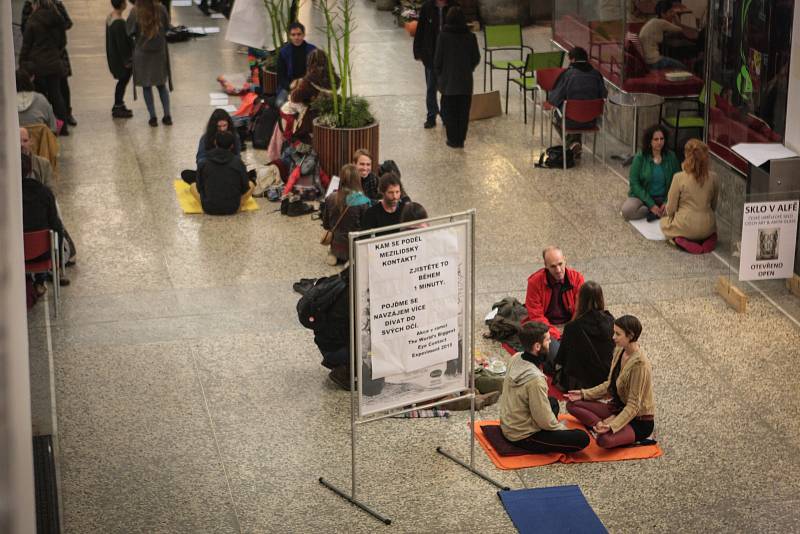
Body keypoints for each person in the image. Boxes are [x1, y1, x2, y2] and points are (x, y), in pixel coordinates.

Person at [499, 322, 591, 454]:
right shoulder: (536, 379)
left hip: (509, 424)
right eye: (548, 340)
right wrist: (561, 429)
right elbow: (544, 420)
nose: (550, 343)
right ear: (537, 346)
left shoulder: (516, 357)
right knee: (582, 438)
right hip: (522, 436)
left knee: (553, 402)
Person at [566, 315, 655, 449]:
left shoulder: (639, 365)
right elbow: (610, 384)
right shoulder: (620, 350)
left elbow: (633, 406)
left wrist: (612, 425)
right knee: (572, 404)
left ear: (630, 336)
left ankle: (608, 427)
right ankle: (600, 425)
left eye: (618, 334)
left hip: (638, 421)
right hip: (617, 408)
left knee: (603, 441)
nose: (613, 337)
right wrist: (584, 394)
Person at [524, 246, 585, 366]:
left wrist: (570, 330)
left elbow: (581, 309)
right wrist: (556, 334)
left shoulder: (577, 279)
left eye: (560, 264)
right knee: (557, 355)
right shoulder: (534, 282)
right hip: (546, 328)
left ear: (565, 260)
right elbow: (536, 317)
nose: (558, 270)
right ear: (545, 265)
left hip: (570, 324)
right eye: (553, 266)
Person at [19, 0, 70, 135]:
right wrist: (55, 53)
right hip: (54, 63)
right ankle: (63, 127)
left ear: (36, 4)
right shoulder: (57, 18)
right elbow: (63, 42)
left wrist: (22, 62)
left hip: (37, 65)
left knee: (41, 97)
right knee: (56, 95)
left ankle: (46, 127)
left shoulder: (32, 21)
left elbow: (26, 45)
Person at [552, 281, 614, 392]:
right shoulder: (610, 320)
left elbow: (561, 358)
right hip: (606, 377)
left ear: (579, 299)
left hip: (581, 383)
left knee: (551, 343)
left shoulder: (572, 327)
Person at [21, 154, 70, 292]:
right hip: (43, 254)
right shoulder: (45, 193)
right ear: (31, 170)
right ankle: (40, 280)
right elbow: (56, 227)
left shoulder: (6, 196)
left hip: (13, 255)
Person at [660, 139, 719, 252]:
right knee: (711, 230)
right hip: (707, 225)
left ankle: (678, 238)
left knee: (663, 223)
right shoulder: (714, 177)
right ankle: (708, 239)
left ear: (686, 155)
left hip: (685, 225)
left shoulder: (679, 177)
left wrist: (670, 217)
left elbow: (671, 207)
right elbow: (714, 205)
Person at [433, 7, 480, 149]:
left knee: (450, 112)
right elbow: (476, 58)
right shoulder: (470, 36)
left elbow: (437, 60)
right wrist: (468, 69)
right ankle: (461, 139)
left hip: (448, 83)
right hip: (465, 82)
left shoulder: (443, 36)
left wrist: (440, 75)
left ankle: (452, 139)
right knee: (463, 113)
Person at [547, 47, 607, 154]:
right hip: (592, 121)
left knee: (556, 115)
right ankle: (575, 144)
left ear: (573, 60)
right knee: (578, 111)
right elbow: (604, 95)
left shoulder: (567, 75)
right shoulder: (597, 74)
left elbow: (554, 99)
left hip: (570, 121)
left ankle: (571, 144)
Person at [127, 0, 172, 127]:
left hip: (142, 53)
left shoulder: (135, 11)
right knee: (161, 85)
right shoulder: (161, 9)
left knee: (147, 86)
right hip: (159, 52)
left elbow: (129, 31)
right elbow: (168, 27)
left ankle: (153, 117)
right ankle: (167, 115)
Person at [621, 125, 681, 221]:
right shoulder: (640, 157)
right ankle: (651, 211)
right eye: (656, 139)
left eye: (662, 139)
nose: (659, 142)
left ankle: (659, 211)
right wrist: (651, 204)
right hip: (643, 197)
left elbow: (678, 180)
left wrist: (667, 201)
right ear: (650, 141)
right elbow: (634, 183)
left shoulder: (671, 157)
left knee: (683, 209)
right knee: (627, 211)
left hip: (664, 196)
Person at [189, 131, 254, 215]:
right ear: (232, 146)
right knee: (251, 184)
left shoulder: (204, 161)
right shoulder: (238, 162)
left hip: (209, 208)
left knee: (192, 186)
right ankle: (239, 206)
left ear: (215, 143)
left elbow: (199, 186)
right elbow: (245, 187)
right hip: (233, 208)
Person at [413, 0, 455, 129]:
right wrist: (417, 51)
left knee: (447, 89)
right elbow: (420, 29)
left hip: (448, 56)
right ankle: (431, 116)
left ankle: (446, 116)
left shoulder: (454, 7)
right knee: (431, 87)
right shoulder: (427, 7)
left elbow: (461, 30)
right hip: (431, 54)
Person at [323, 164, 372, 266]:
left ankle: (334, 255)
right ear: (357, 180)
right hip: (353, 248)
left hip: (336, 245)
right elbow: (367, 229)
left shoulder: (330, 197)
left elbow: (326, 225)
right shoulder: (364, 202)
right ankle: (352, 260)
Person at [638, 0, 692, 70]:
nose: (673, 14)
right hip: (655, 61)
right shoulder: (662, 22)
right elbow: (680, 29)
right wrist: (676, 19)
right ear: (663, 14)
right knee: (683, 68)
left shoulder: (653, 21)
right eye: (670, 12)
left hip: (648, 61)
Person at [276, 22, 316, 107]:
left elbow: (316, 72)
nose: (296, 37)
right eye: (293, 35)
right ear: (289, 36)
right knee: (280, 103)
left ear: (304, 34)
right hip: (290, 85)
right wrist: (290, 86)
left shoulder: (312, 50)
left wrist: (304, 83)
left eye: (299, 34)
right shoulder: (284, 52)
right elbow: (281, 75)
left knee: (312, 106)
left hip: (308, 85)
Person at [106, 0, 135, 118]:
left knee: (122, 82)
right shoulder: (119, 23)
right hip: (122, 60)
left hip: (114, 56)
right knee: (123, 81)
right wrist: (128, 60)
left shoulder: (110, 17)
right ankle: (118, 105)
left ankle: (119, 103)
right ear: (122, 4)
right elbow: (122, 44)